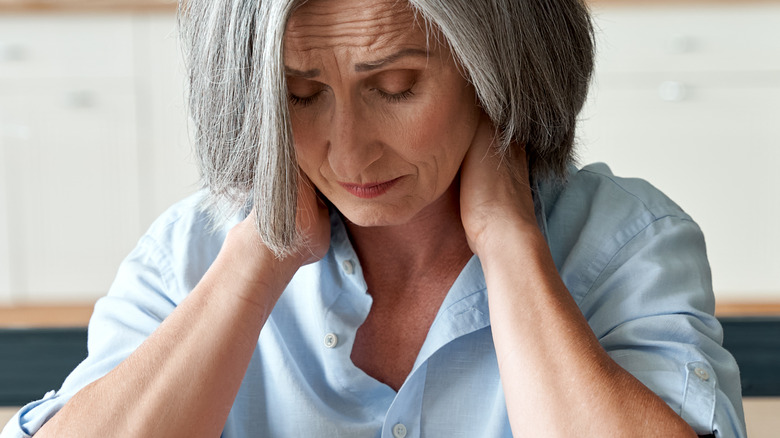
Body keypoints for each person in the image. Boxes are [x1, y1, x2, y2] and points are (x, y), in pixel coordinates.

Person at [1, 0, 746, 436]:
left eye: (395, 86)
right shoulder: (190, 253)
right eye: (299, 95)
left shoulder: (624, 243)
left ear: (497, 73)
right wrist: (258, 260)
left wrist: (511, 247)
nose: (347, 148)